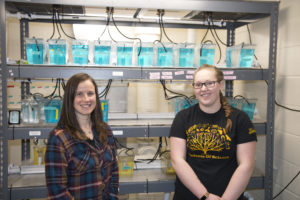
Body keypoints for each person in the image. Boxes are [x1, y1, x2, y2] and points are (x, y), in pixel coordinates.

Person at [170, 64, 257, 200]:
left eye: (210, 83)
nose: (203, 89)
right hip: (190, 196)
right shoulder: (183, 118)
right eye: (198, 85)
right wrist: (205, 196)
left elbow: (246, 164)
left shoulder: (240, 119)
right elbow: (177, 160)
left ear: (221, 84)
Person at [45, 73, 119, 200]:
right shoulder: (59, 138)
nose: (86, 99)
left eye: (90, 93)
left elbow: (114, 173)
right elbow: (58, 193)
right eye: (79, 94)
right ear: (70, 98)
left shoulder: (105, 130)